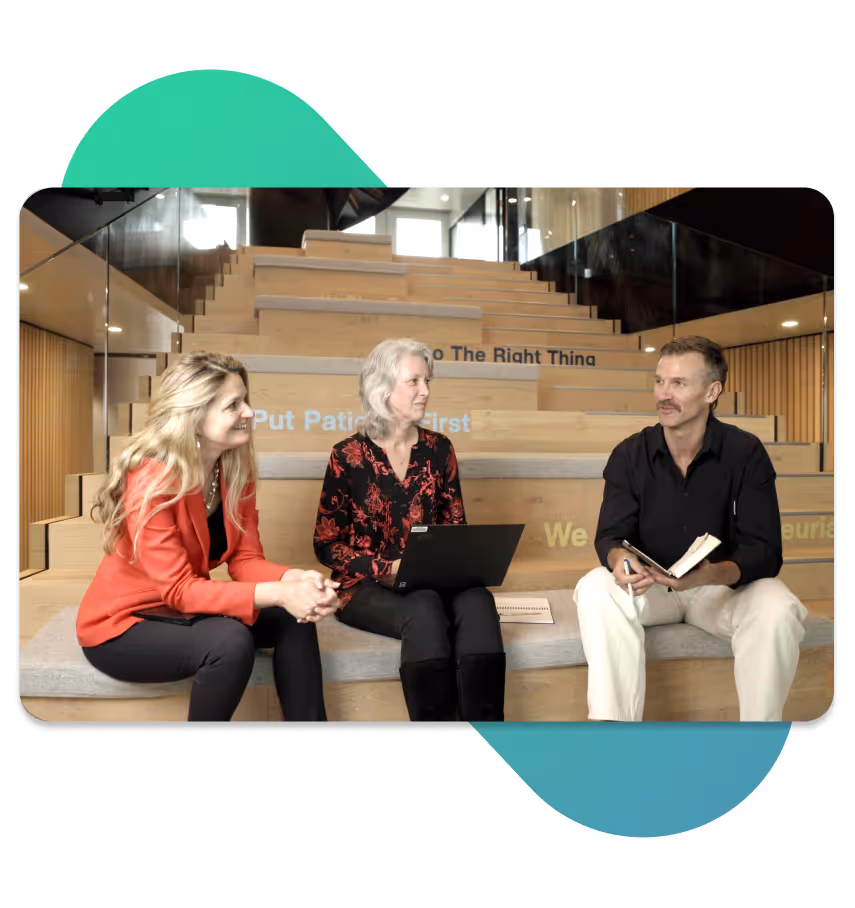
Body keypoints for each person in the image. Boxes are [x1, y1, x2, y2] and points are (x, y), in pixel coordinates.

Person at [76, 351, 340, 723]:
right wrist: (280, 592)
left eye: (245, 400)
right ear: (195, 418)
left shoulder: (233, 469)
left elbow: (246, 561)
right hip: (124, 624)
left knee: (290, 619)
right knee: (229, 641)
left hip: (182, 609)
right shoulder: (151, 480)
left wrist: (293, 580)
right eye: (233, 404)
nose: (249, 412)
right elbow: (180, 590)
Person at [573, 335, 809, 722]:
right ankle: (613, 738)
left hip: (716, 589)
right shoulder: (629, 454)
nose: (664, 394)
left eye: (679, 383)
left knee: (778, 606)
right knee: (595, 587)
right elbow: (610, 536)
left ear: (712, 391)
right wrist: (620, 560)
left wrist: (711, 574)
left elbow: (765, 551)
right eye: (660, 381)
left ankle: (758, 744)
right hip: (650, 589)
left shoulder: (745, 452)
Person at [313, 338, 506, 724]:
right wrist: (385, 567)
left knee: (479, 603)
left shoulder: (440, 449)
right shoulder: (346, 455)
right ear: (382, 387)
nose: (426, 392)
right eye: (414, 381)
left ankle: (489, 734)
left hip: (433, 579)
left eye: (428, 381)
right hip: (364, 586)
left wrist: (458, 562)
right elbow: (325, 544)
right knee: (424, 609)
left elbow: (455, 526)